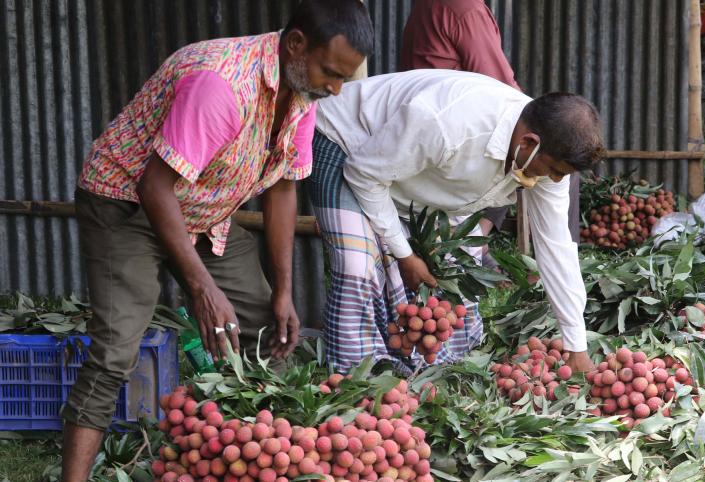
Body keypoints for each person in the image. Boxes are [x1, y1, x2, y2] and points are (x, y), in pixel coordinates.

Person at [61, 1, 373, 480]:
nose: (334, 89)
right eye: (330, 73)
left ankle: (251, 452)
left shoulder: (304, 94)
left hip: (205, 210)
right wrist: (203, 290)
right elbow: (154, 187)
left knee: (270, 324)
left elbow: (284, 186)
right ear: (295, 44)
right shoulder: (221, 85)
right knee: (116, 352)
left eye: (342, 80)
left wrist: (284, 289)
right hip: (127, 203)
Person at [309, 69, 602, 374]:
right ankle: (356, 377)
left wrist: (575, 344)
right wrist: (405, 254)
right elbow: (364, 174)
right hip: (347, 145)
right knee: (359, 263)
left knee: (455, 267)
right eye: (554, 170)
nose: (554, 179)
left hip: (405, 174)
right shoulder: (449, 124)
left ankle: (417, 367)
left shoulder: (545, 151)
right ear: (529, 142)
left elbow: (556, 247)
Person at [401, 0, 520, 262]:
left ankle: (472, 237)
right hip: (450, 126)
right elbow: (499, 84)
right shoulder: (466, 9)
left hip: (427, 119)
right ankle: (475, 238)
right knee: (548, 145)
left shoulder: (426, 4)